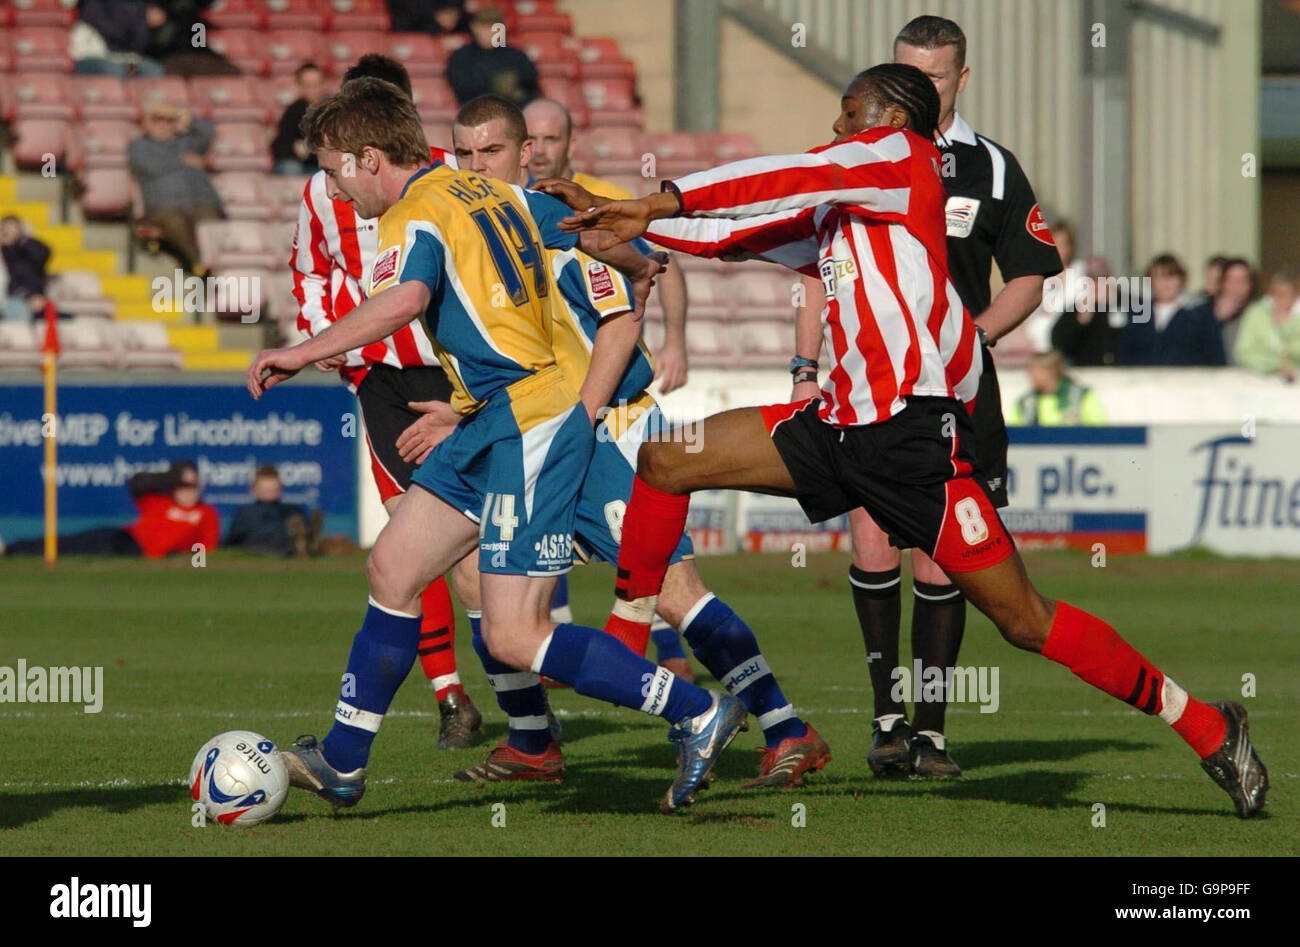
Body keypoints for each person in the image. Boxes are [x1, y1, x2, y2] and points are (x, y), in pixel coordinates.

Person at [542, 61, 1268, 819]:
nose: (836, 127)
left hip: (911, 442)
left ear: (889, 116)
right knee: (666, 457)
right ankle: (627, 642)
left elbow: (782, 176)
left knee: (1025, 620)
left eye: (848, 113)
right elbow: (736, 231)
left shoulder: (901, 157)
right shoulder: (845, 204)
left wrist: (648, 199)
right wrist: (627, 220)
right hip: (835, 426)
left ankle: (1211, 725)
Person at [250, 77, 747, 813]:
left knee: (516, 633)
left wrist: (302, 350)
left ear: (368, 156)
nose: (334, 189)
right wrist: (640, 269)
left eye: (333, 170)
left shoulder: (412, 212)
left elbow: (406, 300)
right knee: (393, 565)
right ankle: (344, 759)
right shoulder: (489, 192)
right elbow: (583, 224)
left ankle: (695, 710)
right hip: (486, 418)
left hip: (527, 421)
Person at [442, 94, 827, 786]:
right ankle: (531, 739)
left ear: (529, 151)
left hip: (604, 427)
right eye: (465, 155)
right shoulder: (484, 224)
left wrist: (636, 296)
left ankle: (786, 726)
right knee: (470, 571)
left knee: (674, 592)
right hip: (533, 429)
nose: (478, 167)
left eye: (493, 152)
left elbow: (632, 275)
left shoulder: (559, 218)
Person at [796, 15, 1064, 778]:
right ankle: (886, 721)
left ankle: (934, 732)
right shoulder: (860, 157)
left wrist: (970, 335)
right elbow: (820, 265)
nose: (917, 90)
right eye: (905, 73)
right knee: (874, 537)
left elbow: (1031, 274)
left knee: (946, 559)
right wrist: (801, 363)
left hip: (957, 389)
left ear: (961, 80)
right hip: (869, 383)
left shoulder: (993, 170)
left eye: (935, 78)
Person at [289, 54, 480, 750]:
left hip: (454, 380)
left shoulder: (449, 180)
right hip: (382, 380)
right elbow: (309, 268)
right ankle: (450, 695)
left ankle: (530, 703)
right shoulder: (321, 191)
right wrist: (325, 340)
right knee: (406, 543)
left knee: (471, 566)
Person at [525, 95, 695, 673]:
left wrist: (675, 339)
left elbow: (658, 265)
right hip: (553, 403)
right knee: (547, 537)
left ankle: (674, 658)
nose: (540, 150)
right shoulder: (513, 211)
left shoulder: (595, 201)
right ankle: (562, 652)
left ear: (571, 144)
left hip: (614, 404)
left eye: (551, 138)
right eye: (531, 140)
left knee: (655, 560)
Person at [3, 461, 218, 558]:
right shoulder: (161, 501)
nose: (187, 492)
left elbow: (205, 547)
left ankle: (11, 551)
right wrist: (170, 478)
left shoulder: (205, 514)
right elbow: (136, 483)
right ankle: (10, 549)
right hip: (124, 537)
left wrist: (180, 554)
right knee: (69, 542)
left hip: (139, 552)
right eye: (182, 486)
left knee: (77, 550)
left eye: (192, 486)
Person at [128, 100, 223, 276]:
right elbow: (147, 165)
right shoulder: (139, 146)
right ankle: (201, 265)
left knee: (210, 222)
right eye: (157, 119)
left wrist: (187, 117)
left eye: (168, 120)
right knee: (176, 223)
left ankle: (215, 264)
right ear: (147, 123)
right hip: (164, 207)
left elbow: (208, 132)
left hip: (200, 201)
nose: (163, 124)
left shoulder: (186, 142)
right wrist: (182, 161)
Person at [1117, 253, 1209, 366]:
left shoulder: (1199, 315)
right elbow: (1125, 354)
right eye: (1158, 277)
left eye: (1170, 277)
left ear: (1181, 280)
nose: (1165, 283)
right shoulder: (1137, 314)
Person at [446, 5, 539, 106]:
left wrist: (514, 88)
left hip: (514, 110)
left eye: (494, 27)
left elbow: (530, 80)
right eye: (484, 26)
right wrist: (495, 86)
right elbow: (462, 88)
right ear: (474, 27)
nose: (490, 32)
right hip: (477, 112)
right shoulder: (461, 57)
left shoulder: (516, 55)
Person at [223, 465, 319, 556]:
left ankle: (303, 547)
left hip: (288, 551)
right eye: (265, 490)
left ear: (280, 488)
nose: (269, 494)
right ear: (253, 489)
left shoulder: (292, 510)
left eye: (273, 490)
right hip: (254, 551)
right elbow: (232, 541)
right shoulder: (245, 512)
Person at [1050, 256, 1122, 366]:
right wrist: (1080, 321)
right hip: (1088, 372)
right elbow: (1059, 344)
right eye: (1091, 278)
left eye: (1101, 277)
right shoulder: (1078, 309)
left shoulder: (1129, 304)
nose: (1096, 283)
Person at [1233, 265, 1300, 381]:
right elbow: (1244, 351)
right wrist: (1274, 364)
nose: (1280, 299)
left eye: (1286, 294)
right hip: (1257, 378)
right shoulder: (1255, 313)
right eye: (1276, 293)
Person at [71, 0, 167, 77]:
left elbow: (136, 47)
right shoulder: (97, 5)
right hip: (90, 53)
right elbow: (95, 20)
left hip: (117, 56)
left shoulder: (139, 9)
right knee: (114, 71)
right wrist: (141, 20)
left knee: (153, 70)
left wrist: (144, 21)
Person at [1008, 351, 1105, 425]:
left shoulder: (1082, 395)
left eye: (1035, 371)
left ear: (1051, 372)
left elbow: (1098, 429)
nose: (1029, 375)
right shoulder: (1025, 402)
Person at [271, 63, 327, 176]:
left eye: (317, 84)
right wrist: (294, 146)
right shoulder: (293, 111)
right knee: (290, 168)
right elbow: (279, 145)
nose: (314, 89)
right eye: (308, 85)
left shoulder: (334, 110)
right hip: (302, 166)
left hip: (324, 165)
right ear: (300, 86)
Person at [1, 217, 52, 322]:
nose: (6, 232)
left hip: (26, 299)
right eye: (3, 229)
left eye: (10, 228)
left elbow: (44, 253)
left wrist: (22, 238)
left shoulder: (25, 254)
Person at [386, 0, 468, 34]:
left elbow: (457, 5)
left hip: (453, 24)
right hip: (411, 26)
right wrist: (436, 15)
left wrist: (452, 13)